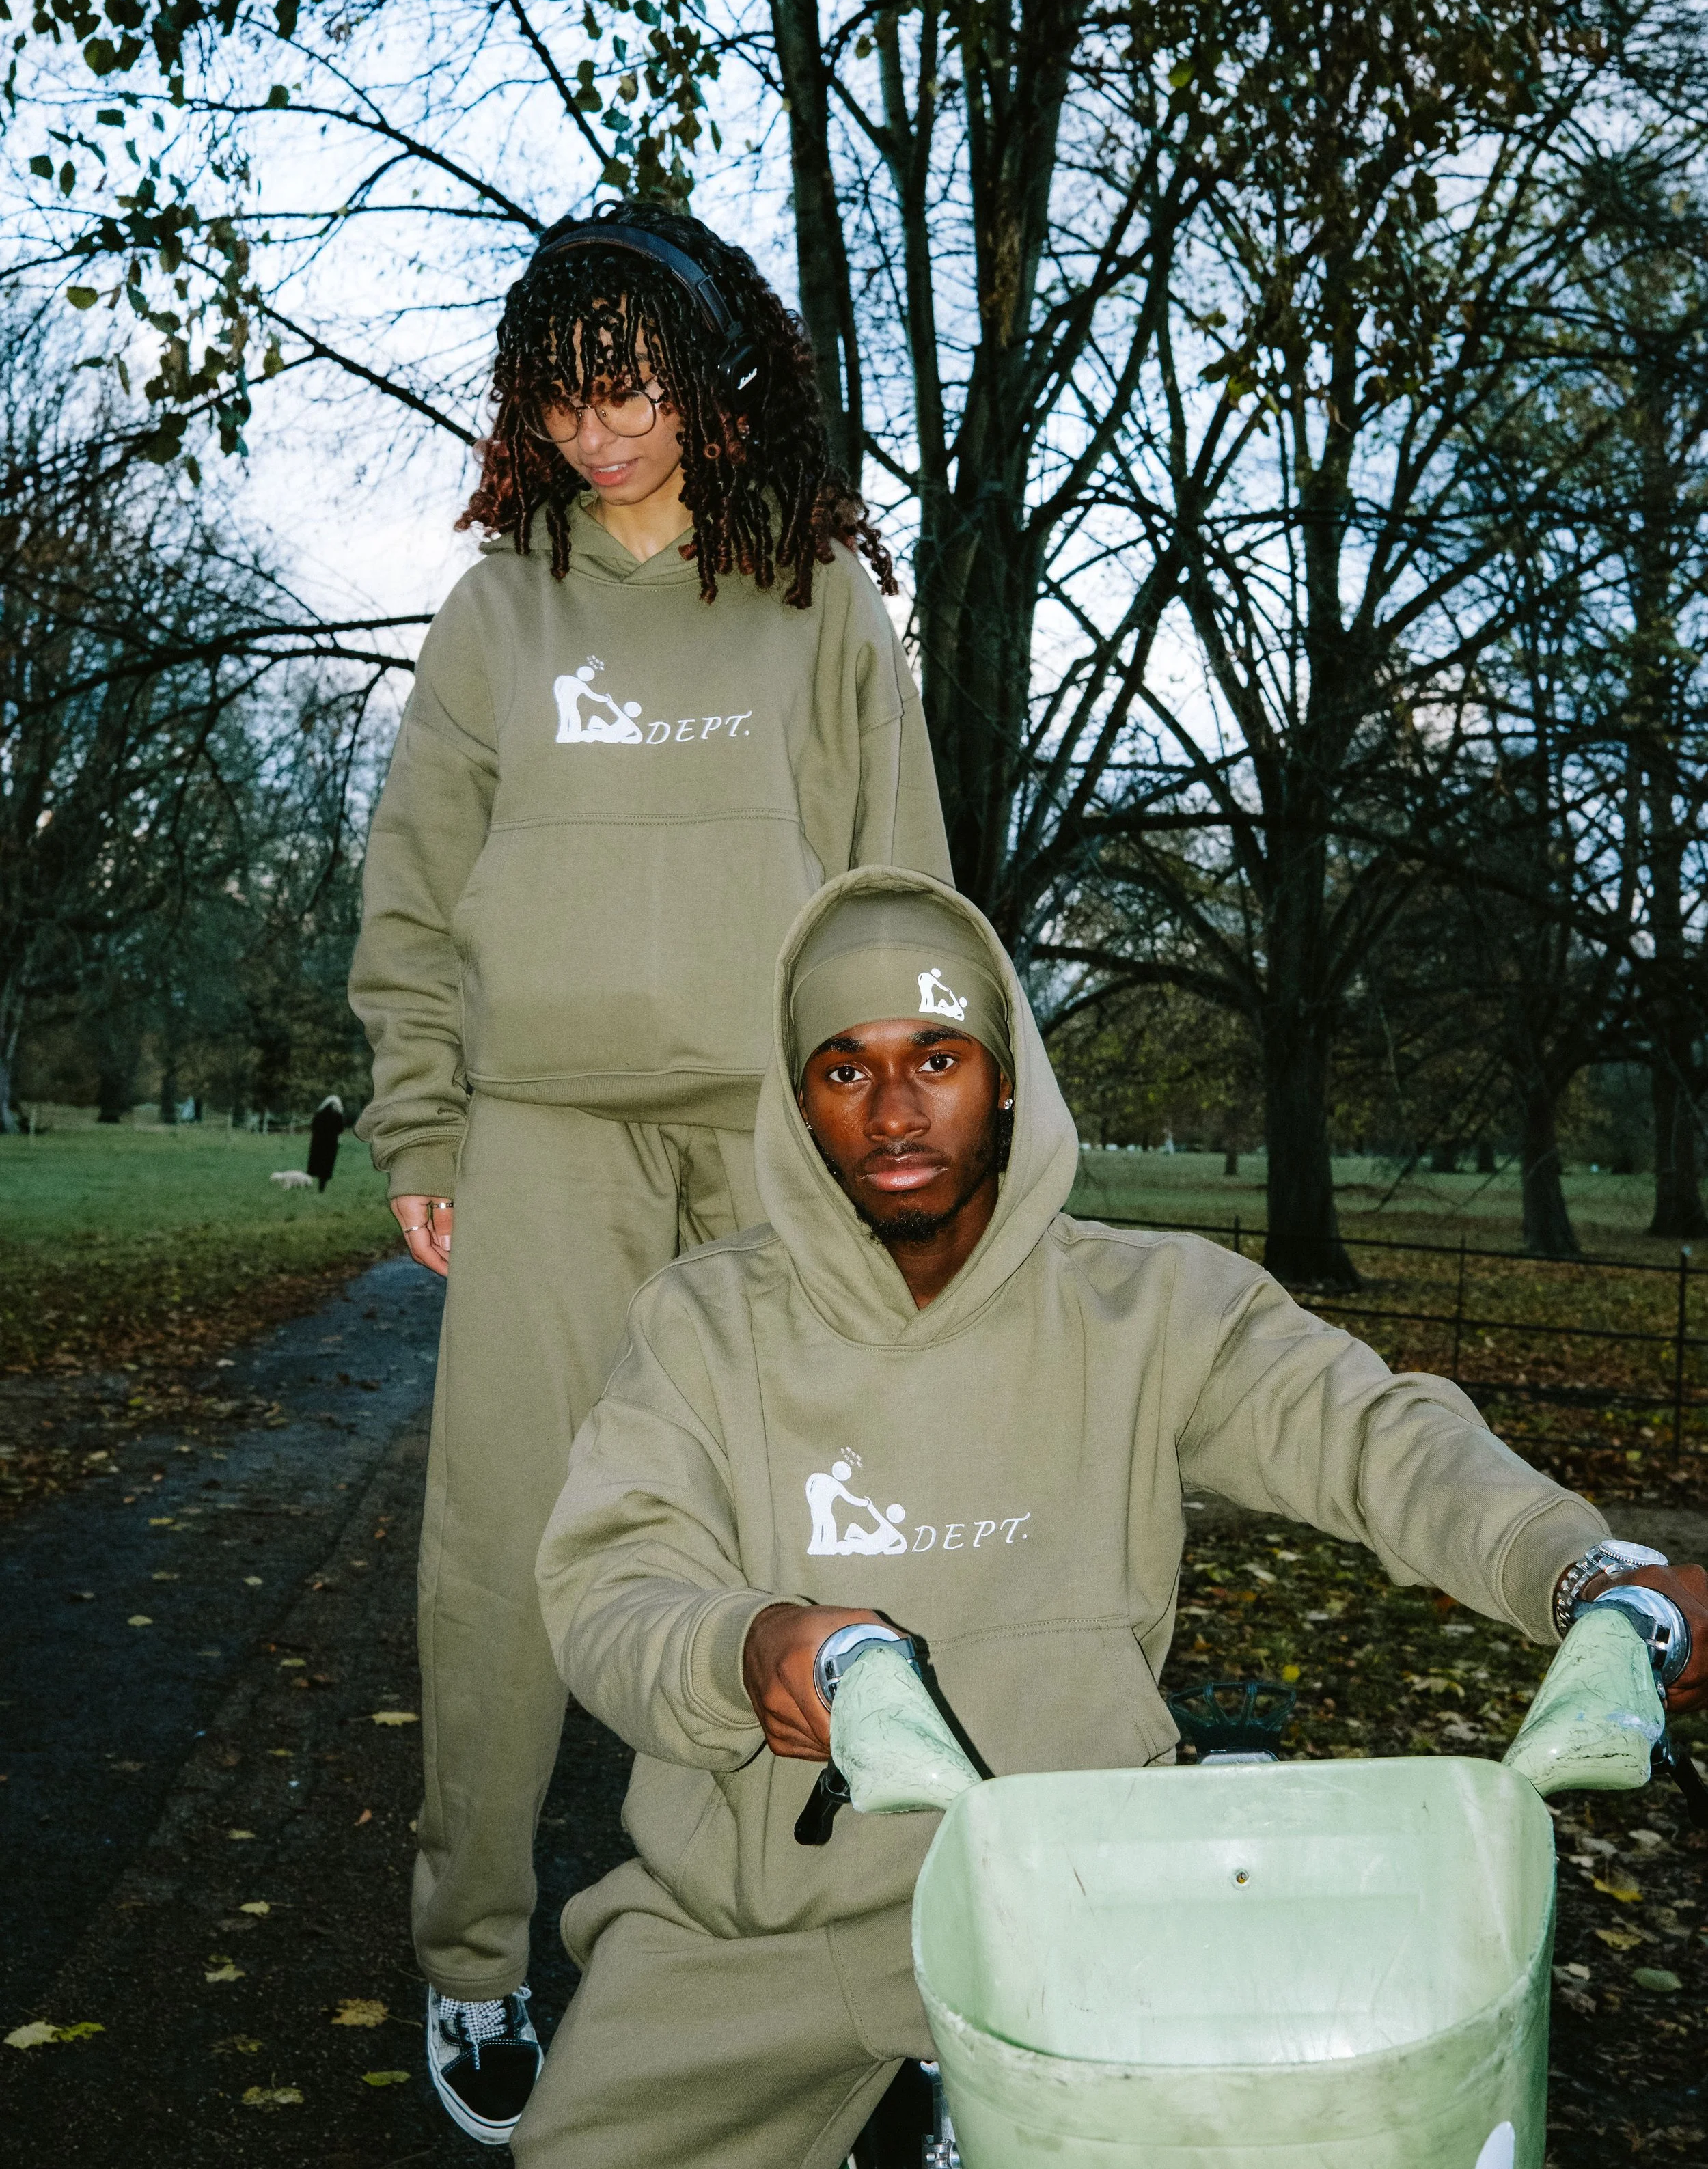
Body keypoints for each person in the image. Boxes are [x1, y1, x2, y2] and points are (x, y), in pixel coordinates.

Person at [522, 866, 1708, 2169]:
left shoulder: (1159, 1306)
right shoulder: (700, 1324)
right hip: (751, 1929)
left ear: (1009, 1073)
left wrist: (1583, 1567)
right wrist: (746, 1648)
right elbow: (612, 1580)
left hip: (1082, 1909)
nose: (898, 1107)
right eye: (846, 1070)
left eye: (940, 1053)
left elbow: (1376, 1434)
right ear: (797, 1103)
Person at [348, 209, 952, 2145]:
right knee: (512, 1548)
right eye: (561, 384)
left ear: (707, 377)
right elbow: (417, 892)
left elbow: (901, 887)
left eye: (631, 379)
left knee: (821, 1547)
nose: (597, 422)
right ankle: (471, 1956)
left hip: (774, 1141)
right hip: (544, 1136)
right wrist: (423, 1118)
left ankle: (831, 1961)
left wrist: (910, 1151)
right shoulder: (496, 608)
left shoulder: (818, 601)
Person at [305, 1094, 346, 1192]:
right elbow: (340, 1129)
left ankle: (308, 1184)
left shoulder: (319, 1114)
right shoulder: (337, 1115)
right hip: (330, 1145)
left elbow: (313, 1126)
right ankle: (321, 1188)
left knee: (315, 1164)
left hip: (317, 1143)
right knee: (325, 1168)